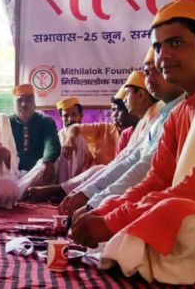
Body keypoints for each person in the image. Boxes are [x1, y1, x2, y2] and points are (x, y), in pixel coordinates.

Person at [71, 0, 195, 284]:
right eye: (158, 46)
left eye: (175, 43)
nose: (162, 55)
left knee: (179, 221)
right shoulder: (178, 113)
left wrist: (114, 221)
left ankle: (130, 253)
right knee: (141, 210)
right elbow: (156, 180)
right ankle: (135, 254)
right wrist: (106, 211)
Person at [60, 53, 184, 216]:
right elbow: (130, 159)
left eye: (158, 70)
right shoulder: (160, 115)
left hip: (165, 201)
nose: (149, 79)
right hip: (140, 193)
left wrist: (95, 202)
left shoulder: (174, 112)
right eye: (147, 73)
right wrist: (87, 194)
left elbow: (146, 168)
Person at [26, 85, 139, 203]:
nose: (114, 114)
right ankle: (21, 191)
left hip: (110, 176)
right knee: (47, 160)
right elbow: (75, 128)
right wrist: (69, 139)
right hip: (89, 175)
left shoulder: (139, 130)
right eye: (113, 110)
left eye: (119, 110)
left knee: (101, 169)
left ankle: (58, 191)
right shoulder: (105, 127)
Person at [9, 84, 61, 197]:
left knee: (52, 163)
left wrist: (47, 161)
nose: (24, 104)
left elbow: (51, 142)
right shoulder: (7, 122)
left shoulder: (46, 121)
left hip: (37, 171)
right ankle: (22, 190)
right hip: (14, 170)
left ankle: (14, 192)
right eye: (19, 100)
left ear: (35, 103)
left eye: (28, 100)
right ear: (14, 104)